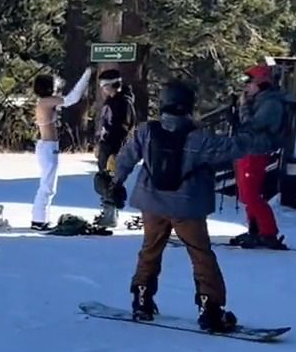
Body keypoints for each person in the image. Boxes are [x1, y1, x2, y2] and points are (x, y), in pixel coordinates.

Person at [107, 80, 274, 332]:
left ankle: (141, 300)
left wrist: (116, 182)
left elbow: (126, 158)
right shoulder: (199, 139)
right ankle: (210, 310)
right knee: (200, 254)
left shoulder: (146, 131)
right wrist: (253, 125)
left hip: (151, 202)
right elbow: (237, 146)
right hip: (187, 207)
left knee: (150, 249)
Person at [229, 64, 289, 249]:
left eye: (249, 82)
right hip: (246, 149)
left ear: (260, 84)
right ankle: (254, 230)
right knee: (246, 194)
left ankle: (268, 232)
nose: (246, 87)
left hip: (257, 151)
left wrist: (243, 107)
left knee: (251, 194)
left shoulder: (271, 103)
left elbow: (253, 126)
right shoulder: (260, 100)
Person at [31, 66, 93, 230]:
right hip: (47, 146)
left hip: (48, 145)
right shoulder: (46, 101)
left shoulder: (45, 102)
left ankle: (40, 218)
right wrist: (86, 76)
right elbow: (72, 98)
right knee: (47, 186)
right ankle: (38, 220)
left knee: (48, 184)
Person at [93, 69, 137, 227]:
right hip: (106, 145)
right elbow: (105, 125)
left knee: (109, 181)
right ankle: (108, 211)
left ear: (113, 85)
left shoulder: (123, 103)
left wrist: (115, 152)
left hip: (115, 148)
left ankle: (111, 215)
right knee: (102, 179)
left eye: (104, 85)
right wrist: (99, 143)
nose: (102, 88)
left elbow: (124, 129)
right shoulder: (111, 101)